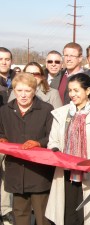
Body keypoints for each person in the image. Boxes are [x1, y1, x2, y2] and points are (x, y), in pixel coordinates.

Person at [46, 73, 90, 225]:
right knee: (67, 213)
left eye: (76, 90)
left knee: (87, 215)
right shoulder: (61, 114)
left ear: (87, 91)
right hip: (65, 172)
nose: (72, 95)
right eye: (70, 91)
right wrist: (56, 151)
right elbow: (53, 141)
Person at [0, 72, 54, 225]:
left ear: (34, 90)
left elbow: (53, 136)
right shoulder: (5, 111)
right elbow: (1, 131)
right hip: (16, 171)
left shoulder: (46, 109)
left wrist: (39, 143)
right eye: (19, 90)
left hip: (39, 173)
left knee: (43, 216)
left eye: (27, 91)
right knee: (20, 215)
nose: (23, 95)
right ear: (14, 91)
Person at [0, 47, 15, 225]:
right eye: (0, 59)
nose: (4, 62)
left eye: (7, 59)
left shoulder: (16, 81)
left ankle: (5, 210)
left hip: (11, 137)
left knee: (7, 176)